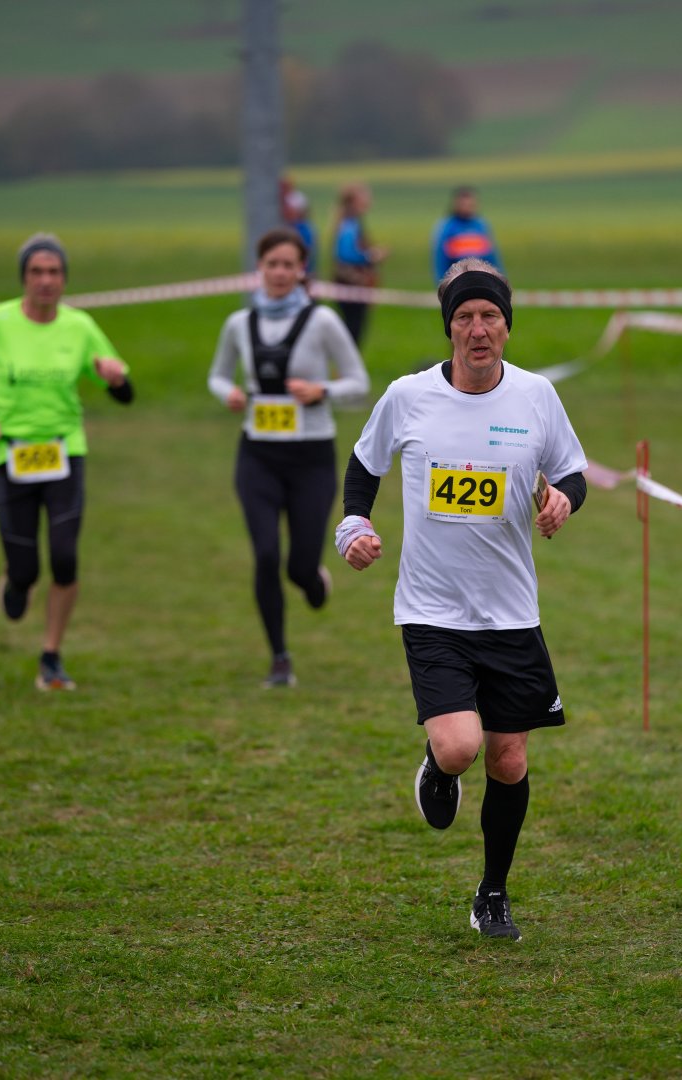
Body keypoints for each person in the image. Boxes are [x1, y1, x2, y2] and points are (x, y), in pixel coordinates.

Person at [335, 258, 587, 940]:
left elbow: (571, 470)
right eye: (466, 317)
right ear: (450, 327)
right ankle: (438, 767)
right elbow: (364, 464)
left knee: (509, 758)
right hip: (433, 610)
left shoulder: (536, 397)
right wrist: (354, 524)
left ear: (507, 327)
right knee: (459, 748)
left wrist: (564, 499)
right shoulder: (408, 397)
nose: (479, 329)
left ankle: (492, 894)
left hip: (511, 612)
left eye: (491, 317)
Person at [0, 233, 133, 691]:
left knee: (64, 557)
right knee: (26, 569)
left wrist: (116, 381)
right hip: (9, 454)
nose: (45, 280)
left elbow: (124, 393)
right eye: (36, 272)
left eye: (54, 272)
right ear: (23, 277)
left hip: (64, 452)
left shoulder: (80, 326)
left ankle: (51, 656)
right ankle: (16, 581)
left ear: (65, 279)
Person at [208, 226, 370, 688]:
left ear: (302, 271)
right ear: (259, 268)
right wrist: (229, 393)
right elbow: (217, 376)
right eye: (271, 264)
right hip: (257, 456)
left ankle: (313, 580)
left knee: (299, 566)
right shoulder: (239, 324)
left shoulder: (323, 321)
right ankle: (279, 657)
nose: (279, 272)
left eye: (288, 265)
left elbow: (358, 382)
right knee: (265, 555)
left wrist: (322, 390)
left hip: (311, 458)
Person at [332, 183, 388, 346]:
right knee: (353, 331)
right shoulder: (350, 224)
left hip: (349, 283)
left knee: (352, 330)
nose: (368, 200)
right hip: (352, 284)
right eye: (364, 196)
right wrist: (372, 256)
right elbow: (346, 254)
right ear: (354, 201)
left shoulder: (348, 221)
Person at [431, 186, 502, 285]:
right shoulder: (447, 227)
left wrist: (500, 279)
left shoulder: (481, 225)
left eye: (470, 204)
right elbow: (440, 259)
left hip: (483, 280)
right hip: (457, 281)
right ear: (456, 204)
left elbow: (492, 257)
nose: (467, 207)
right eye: (464, 204)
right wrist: (442, 283)